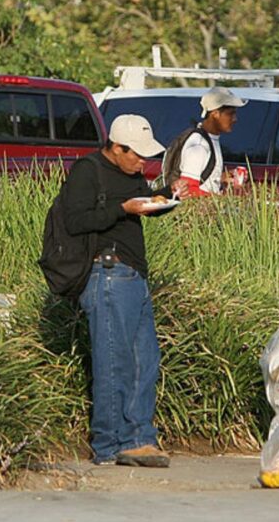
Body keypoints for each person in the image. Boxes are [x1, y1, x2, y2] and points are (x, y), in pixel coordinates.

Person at [64, 114, 189, 467]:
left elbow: (144, 205)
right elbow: (75, 220)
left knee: (145, 359)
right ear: (116, 147)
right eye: (136, 155)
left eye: (147, 157)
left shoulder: (132, 175)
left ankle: (138, 439)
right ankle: (107, 444)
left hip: (133, 275)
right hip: (106, 273)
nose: (142, 163)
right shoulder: (87, 171)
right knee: (113, 362)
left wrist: (168, 196)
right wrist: (121, 209)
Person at [173, 86, 247, 196]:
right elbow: (187, 190)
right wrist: (220, 200)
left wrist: (221, 177)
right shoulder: (199, 145)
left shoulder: (211, 139)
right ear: (215, 114)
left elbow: (202, 180)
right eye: (230, 114)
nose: (235, 119)